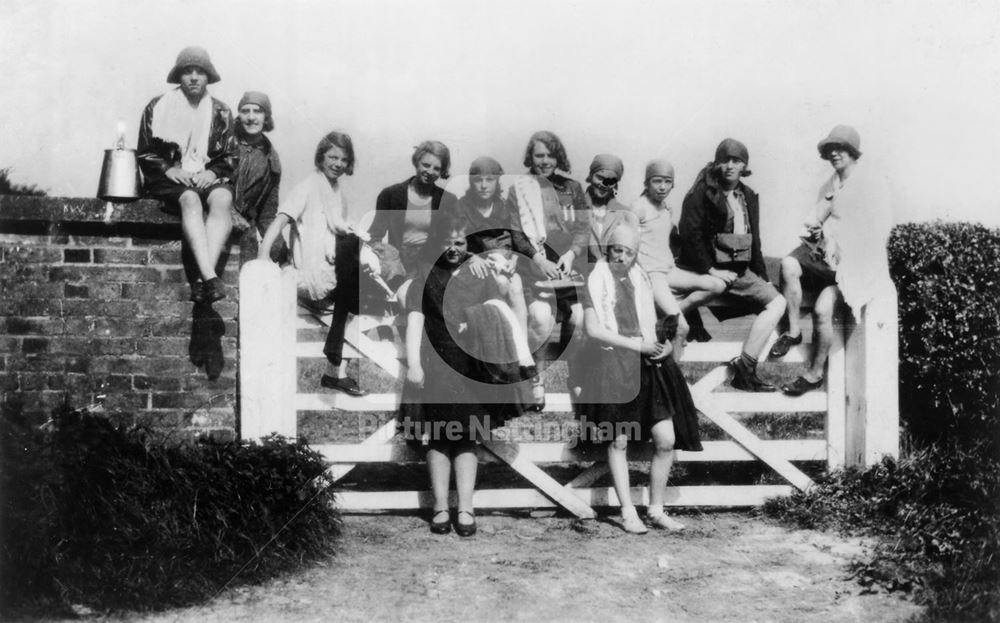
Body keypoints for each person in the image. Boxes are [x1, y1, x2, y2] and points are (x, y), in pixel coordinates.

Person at [399, 216, 536, 536]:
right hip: (436, 364)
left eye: (460, 242)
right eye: (447, 241)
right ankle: (440, 507)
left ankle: (465, 507)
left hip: (472, 366)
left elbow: (500, 309)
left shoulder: (479, 274)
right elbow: (415, 322)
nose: (453, 248)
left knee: (465, 438)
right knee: (437, 437)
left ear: (468, 244)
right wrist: (414, 364)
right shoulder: (425, 276)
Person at [577, 224, 702, 534]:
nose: (621, 257)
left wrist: (666, 344)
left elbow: (659, 322)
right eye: (616, 250)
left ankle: (656, 510)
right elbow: (594, 330)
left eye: (628, 252)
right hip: (611, 363)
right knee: (618, 441)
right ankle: (627, 511)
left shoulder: (642, 279)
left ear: (635, 255)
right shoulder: (594, 279)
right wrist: (638, 345)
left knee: (666, 440)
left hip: (647, 365)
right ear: (608, 250)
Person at [770, 125, 893, 395]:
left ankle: (814, 374)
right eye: (830, 150)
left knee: (823, 308)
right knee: (788, 264)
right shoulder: (830, 184)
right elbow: (815, 218)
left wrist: (843, 244)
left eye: (841, 149)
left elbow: (878, 228)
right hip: (828, 259)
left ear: (852, 152)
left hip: (856, 263)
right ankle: (792, 331)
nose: (835, 154)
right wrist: (819, 231)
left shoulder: (870, 183)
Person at [257, 130, 373, 396]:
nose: (337, 164)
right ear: (320, 158)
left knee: (358, 282)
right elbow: (281, 219)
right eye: (332, 157)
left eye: (343, 159)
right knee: (353, 290)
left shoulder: (337, 193)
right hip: (311, 276)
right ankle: (335, 372)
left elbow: (335, 232)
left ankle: (335, 374)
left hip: (328, 270)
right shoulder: (309, 186)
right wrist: (263, 257)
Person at [678, 139, 786, 391]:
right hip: (708, 270)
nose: (729, 166)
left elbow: (754, 239)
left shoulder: (747, 195)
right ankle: (676, 388)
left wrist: (763, 277)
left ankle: (744, 366)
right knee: (777, 303)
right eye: (724, 160)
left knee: (776, 301)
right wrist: (711, 269)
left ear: (744, 165)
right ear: (716, 163)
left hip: (739, 270)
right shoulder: (700, 193)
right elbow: (689, 234)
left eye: (736, 161)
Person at [137, 46, 235, 304]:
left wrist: (212, 172)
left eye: (200, 72)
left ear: (207, 77)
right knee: (190, 199)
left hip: (205, 176)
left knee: (223, 199)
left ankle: (205, 280)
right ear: (178, 77)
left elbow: (230, 157)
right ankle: (210, 277)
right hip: (170, 179)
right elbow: (145, 152)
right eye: (187, 72)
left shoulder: (221, 112)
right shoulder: (157, 107)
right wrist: (168, 168)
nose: (193, 77)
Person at [628, 159, 720, 355]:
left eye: (667, 182)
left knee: (717, 285)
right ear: (646, 182)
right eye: (657, 181)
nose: (662, 187)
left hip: (670, 270)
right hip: (652, 276)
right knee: (682, 328)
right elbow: (628, 248)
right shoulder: (638, 207)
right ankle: (675, 382)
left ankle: (668, 315)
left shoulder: (666, 208)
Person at [367, 140, 452, 304]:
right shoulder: (390, 195)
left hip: (430, 262)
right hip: (399, 262)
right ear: (416, 162)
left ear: (442, 171)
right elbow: (374, 237)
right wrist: (388, 261)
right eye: (426, 165)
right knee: (409, 298)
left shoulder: (448, 200)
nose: (430, 171)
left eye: (437, 168)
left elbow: (449, 240)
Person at [228, 91, 283, 264]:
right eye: (245, 111)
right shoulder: (225, 143)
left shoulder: (271, 159)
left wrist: (280, 248)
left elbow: (267, 213)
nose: (251, 117)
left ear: (266, 117)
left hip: (245, 227)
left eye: (257, 111)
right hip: (216, 215)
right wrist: (229, 210)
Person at [581, 154, 639, 268]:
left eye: (610, 181)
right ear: (591, 176)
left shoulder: (625, 214)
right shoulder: (574, 207)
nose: (603, 184)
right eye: (599, 177)